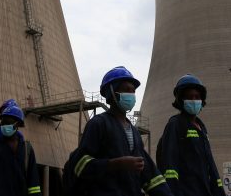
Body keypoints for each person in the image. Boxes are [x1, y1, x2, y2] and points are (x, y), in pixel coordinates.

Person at [70, 66, 173, 196]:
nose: (131, 94)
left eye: (133, 91)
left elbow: (150, 174)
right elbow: (80, 166)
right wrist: (116, 164)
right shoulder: (98, 124)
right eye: (126, 90)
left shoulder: (134, 132)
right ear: (111, 93)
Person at [157, 74, 224, 196]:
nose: (194, 100)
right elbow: (170, 165)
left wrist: (219, 191)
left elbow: (210, 164)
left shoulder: (201, 127)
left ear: (202, 100)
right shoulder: (175, 124)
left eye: (197, 97)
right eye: (189, 97)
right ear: (180, 100)